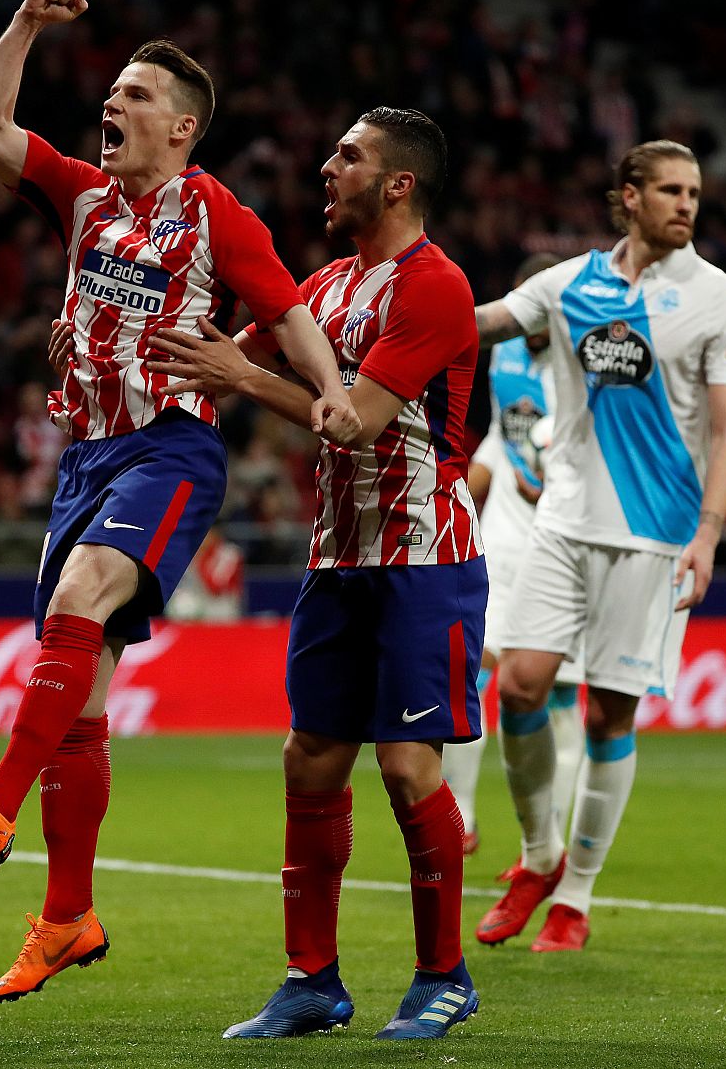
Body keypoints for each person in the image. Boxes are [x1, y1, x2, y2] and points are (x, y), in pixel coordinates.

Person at [0, 0, 356, 1004]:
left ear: (182, 125)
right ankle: (66, 917)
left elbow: (287, 313)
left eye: (136, 95)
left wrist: (332, 399)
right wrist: (22, 20)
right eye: (111, 91)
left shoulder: (216, 214)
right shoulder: (82, 197)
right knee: (80, 706)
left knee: (80, 598)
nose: (112, 104)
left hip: (168, 450)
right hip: (84, 459)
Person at [148, 107, 484, 1041]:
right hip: (339, 556)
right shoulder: (328, 284)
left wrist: (246, 378)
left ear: (399, 183)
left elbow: (355, 421)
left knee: (409, 764)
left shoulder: (436, 288)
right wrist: (113, 348)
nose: (327, 166)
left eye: (349, 156)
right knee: (310, 757)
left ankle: (443, 977)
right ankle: (312, 981)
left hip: (424, 558)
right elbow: (215, 366)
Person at [471, 140, 726, 952]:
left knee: (607, 714)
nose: (686, 203)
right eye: (669, 189)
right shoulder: (569, 284)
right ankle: (539, 859)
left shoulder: (720, 297)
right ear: (627, 197)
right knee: (519, 686)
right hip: (564, 521)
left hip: (654, 534)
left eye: (694, 191)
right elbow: (483, 323)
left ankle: (577, 899)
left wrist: (708, 535)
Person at [448, 253, 586, 861]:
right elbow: (507, 434)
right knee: (474, 668)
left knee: (557, 693)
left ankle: (548, 843)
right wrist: (468, 481)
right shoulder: (501, 352)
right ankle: (463, 819)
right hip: (504, 539)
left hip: (566, 538)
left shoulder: (584, 361)